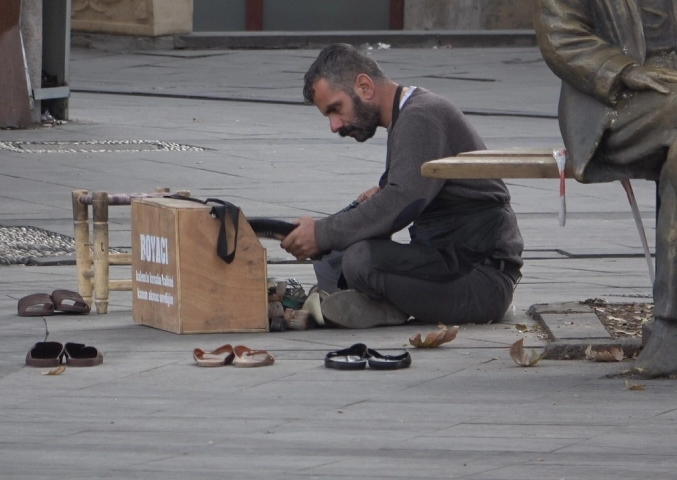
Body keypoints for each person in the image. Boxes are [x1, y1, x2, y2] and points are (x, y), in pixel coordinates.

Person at [280, 43, 524, 329]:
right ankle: (373, 304)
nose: (335, 125)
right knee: (338, 255)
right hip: (451, 266)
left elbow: (402, 202)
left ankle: (382, 306)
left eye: (336, 109)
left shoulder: (421, 116)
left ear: (364, 86)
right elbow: (403, 194)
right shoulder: (409, 114)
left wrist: (321, 233)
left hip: (481, 281)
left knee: (359, 260)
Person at [535, 0, 677, 378]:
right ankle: (671, 327)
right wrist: (624, 70)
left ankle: (670, 327)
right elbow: (560, 32)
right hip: (615, 103)